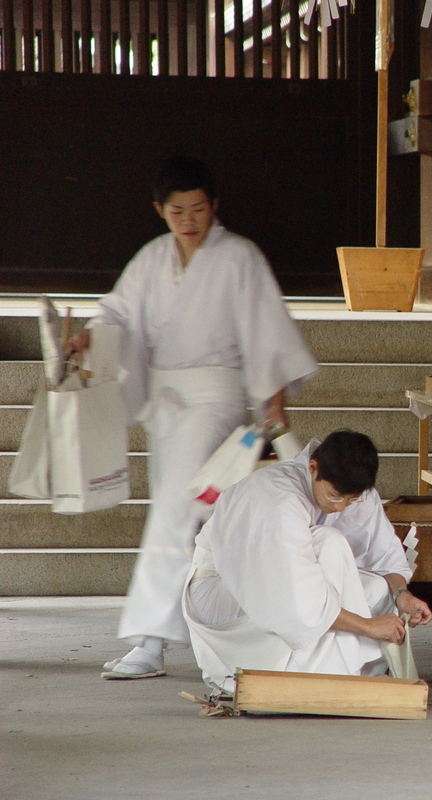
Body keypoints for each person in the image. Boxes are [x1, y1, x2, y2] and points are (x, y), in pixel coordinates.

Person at [68, 155, 319, 679]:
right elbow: (116, 313)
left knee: (176, 513)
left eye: (198, 208)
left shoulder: (238, 257)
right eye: (177, 210)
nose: (188, 219)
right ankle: (246, 629)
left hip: (216, 402)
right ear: (160, 210)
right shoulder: (153, 259)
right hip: (168, 407)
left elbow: (265, 329)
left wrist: (273, 401)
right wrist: (88, 336)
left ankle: (151, 638)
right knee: (203, 515)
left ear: (214, 206)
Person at [182, 429, 432, 694]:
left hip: (291, 591)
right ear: (313, 468)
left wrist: (402, 596)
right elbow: (298, 604)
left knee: (379, 590)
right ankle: (322, 674)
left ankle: (334, 667)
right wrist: (368, 626)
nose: (341, 508)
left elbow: (386, 560)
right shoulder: (278, 501)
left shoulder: (353, 490)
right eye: (335, 496)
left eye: (352, 500)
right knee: (330, 543)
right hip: (219, 592)